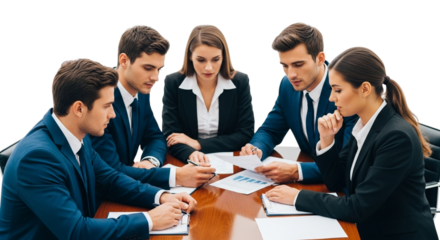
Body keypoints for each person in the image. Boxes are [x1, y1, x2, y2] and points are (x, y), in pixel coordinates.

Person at [0, 58, 197, 239]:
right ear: (79, 108)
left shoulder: (75, 131)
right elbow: (76, 232)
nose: (112, 114)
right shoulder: (37, 159)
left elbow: (109, 180)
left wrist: (161, 196)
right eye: (107, 106)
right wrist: (150, 220)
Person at [265, 46, 437, 239]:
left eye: (338, 90)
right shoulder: (364, 125)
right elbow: (336, 181)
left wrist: (296, 197)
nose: (331, 98)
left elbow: (357, 207)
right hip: (369, 225)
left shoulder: (396, 136)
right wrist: (327, 139)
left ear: (364, 89)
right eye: (331, 89)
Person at [90, 25, 215, 191]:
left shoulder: (140, 91)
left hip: (128, 185)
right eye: (148, 68)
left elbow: (155, 136)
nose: (156, 78)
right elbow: (110, 170)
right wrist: (176, 176)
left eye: (159, 70)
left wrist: (150, 161)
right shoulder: (98, 100)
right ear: (124, 61)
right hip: (100, 196)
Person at [240, 22, 357, 183]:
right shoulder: (287, 85)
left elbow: (350, 162)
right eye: (284, 66)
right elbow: (270, 130)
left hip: (343, 190)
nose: (291, 74)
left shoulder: (348, 90)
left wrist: (298, 171)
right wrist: (256, 149)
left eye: (298, 64)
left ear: (320, 58)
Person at [161, 24, 255, 163]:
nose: (209, 67)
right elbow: (171, 136)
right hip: (186, 160)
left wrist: (198, 144)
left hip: (231, 160)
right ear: (190, 56)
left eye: (215, 59)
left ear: (223, 57)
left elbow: (246, 134)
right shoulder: (173, 82)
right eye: (201, 60)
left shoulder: (239, 81)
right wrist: (191, 154)